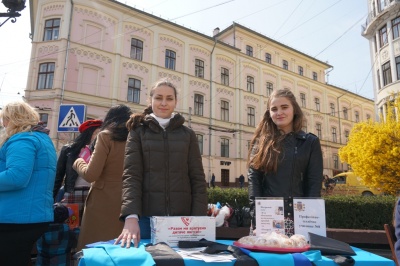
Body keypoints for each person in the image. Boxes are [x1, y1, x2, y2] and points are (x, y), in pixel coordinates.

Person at [115, 79, 207, 248]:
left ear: (176, 102)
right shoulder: (137, 133)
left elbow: (198, 179)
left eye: (169, 98)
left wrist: (197, 218)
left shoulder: (188, 135)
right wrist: (131, 217)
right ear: (150, 100)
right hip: (145, 220)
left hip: (183, 222)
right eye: (158, 98)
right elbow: (131, 176)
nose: (164, 103)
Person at [247, 88, 323, 236]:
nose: (279, 112)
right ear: (269, 114)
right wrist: (257, 219)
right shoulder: (261, 143)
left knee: (299, 259)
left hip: (299, 217)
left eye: (284, 107)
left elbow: (313, 184)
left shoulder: (310, 142)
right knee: (266, 259)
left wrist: (308, 220)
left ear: (294, 109)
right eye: (274, 109)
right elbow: (254, 182)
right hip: (268, 216)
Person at [0, 101, 57, 265]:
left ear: (12, 119)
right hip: (31, 215)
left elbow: (16, 176)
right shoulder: (41, 138)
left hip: (16, 217)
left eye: (5, 119)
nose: (3, 124)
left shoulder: (22, 140)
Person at [73, 104, 132, 251]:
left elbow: (91, 174)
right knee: (121, 251)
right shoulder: (136, 137)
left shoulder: (106, 136)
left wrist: (79, 162)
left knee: (96, 250)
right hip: (129, 200)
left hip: (102, 201)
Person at [53, 119, 103, 222]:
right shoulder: (69, 149)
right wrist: (51, 198)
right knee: (72, 225)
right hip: (73, 193)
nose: (100, 136)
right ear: (89, 133)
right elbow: (58, 175)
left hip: (93, 193)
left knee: (90, 225)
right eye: (97, 133)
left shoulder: (101, 150)